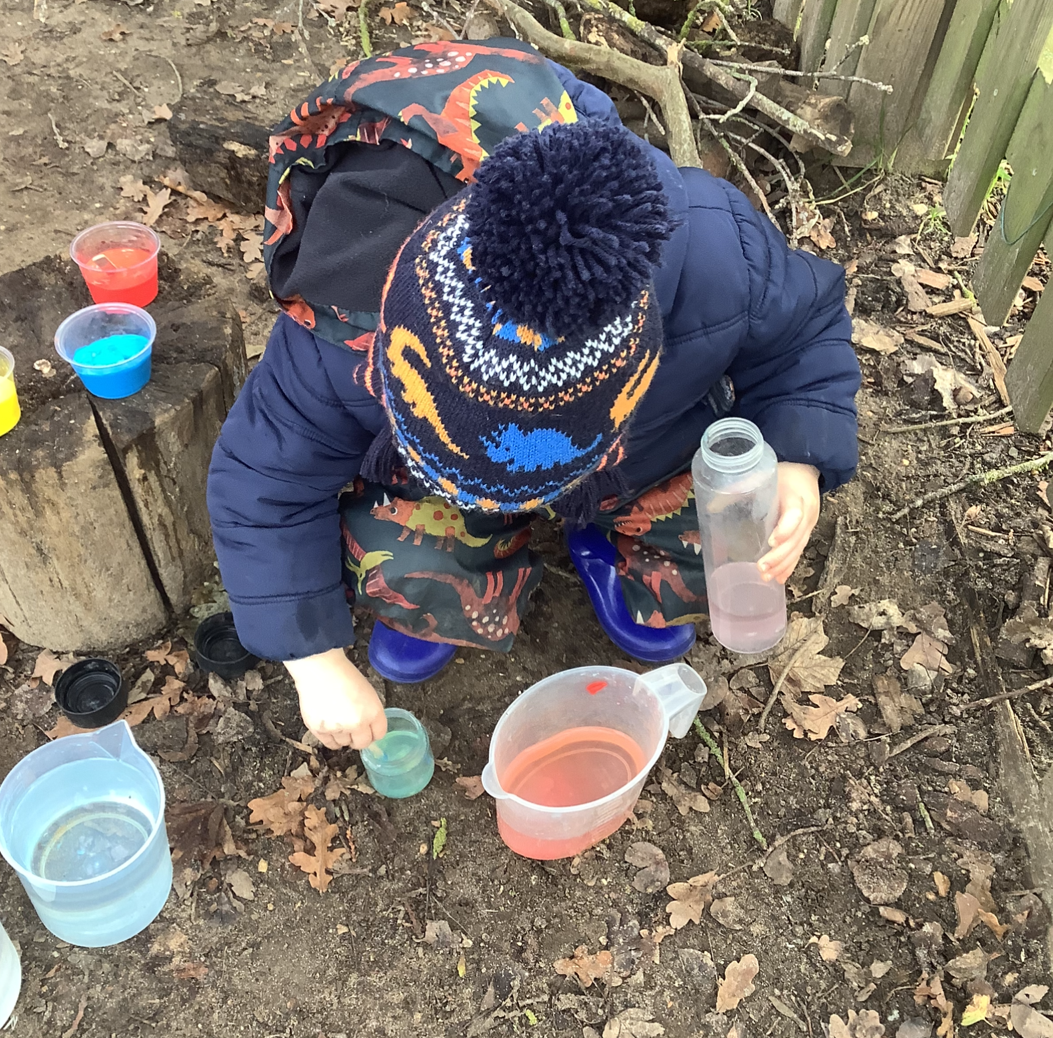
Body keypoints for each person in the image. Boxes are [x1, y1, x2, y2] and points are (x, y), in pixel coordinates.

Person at [207, 37, 860, 753]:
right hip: (437, 486)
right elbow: (261, 479)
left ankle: (597, 534)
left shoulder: (714, 250)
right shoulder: (339, 332)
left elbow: (804, 329)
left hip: (643, 459)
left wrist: (798, 457)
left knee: (735, 549)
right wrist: (313, 659)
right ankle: (462, 544)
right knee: (406, 563)